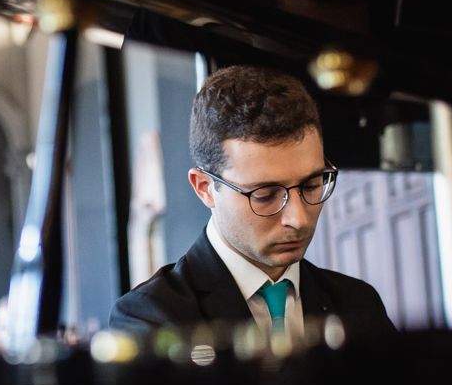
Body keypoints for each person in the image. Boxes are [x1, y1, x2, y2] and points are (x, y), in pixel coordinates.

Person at [109, 64, 395, 340]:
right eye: (265, 195)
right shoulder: (151, 317)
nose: (298, 218)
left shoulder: (359, 304)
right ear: (205, 188)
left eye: (311, 185)